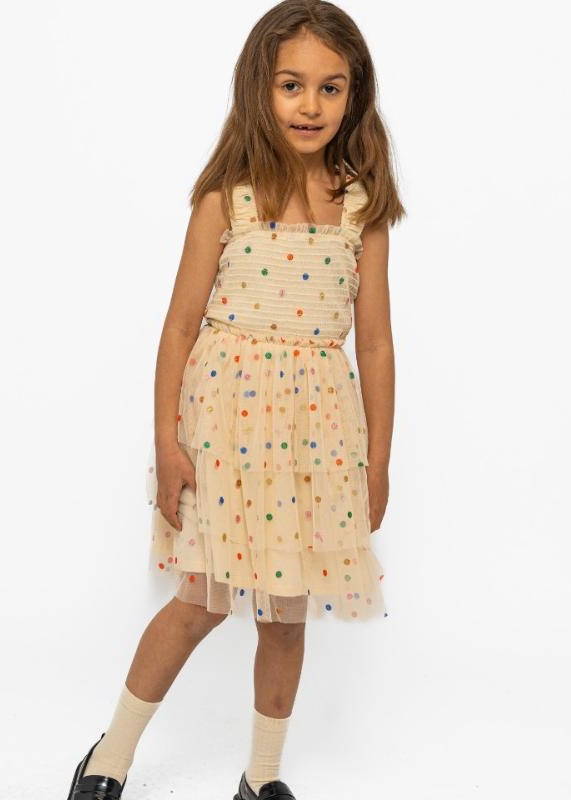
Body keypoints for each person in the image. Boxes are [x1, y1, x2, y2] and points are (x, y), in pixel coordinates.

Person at [67, 1, 405, 797]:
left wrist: (377, 461)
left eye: (330, 88)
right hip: (225, 428)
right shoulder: (229, 197)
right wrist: (166, 441)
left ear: (354, 95)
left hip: (313, 439)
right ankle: (110, 754)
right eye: (292, 85)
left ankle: (262, 778)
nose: (310, 105)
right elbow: (180, 326)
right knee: (199, 603)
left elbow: (376, 345)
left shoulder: (361, 208)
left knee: (285, 615)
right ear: (261, 87)